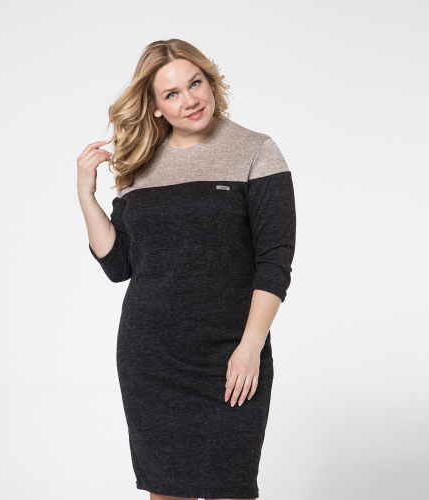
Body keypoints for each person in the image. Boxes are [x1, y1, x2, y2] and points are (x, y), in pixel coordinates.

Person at [77, 39, 296, 500]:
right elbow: (119, 265)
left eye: (195, 83)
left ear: (211, 82)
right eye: (172, 93)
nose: (190, 100)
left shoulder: (256, 151)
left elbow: (274, 262)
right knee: (166, 491)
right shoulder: (141, 165)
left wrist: (251, 346)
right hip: (151, 358)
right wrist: (86, 195)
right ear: (155, 107)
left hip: (231, 353)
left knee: (231, 489)